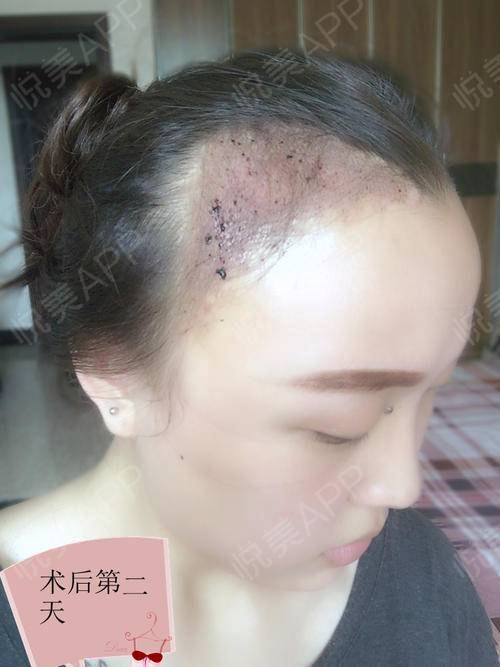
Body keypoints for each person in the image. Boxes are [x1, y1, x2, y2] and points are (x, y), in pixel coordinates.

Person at [0, 49, 498, 667]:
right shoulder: (39, 608)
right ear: (114, 371)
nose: (403, 487)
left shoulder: (424, 577)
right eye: (338, 426)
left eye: (431, 394)